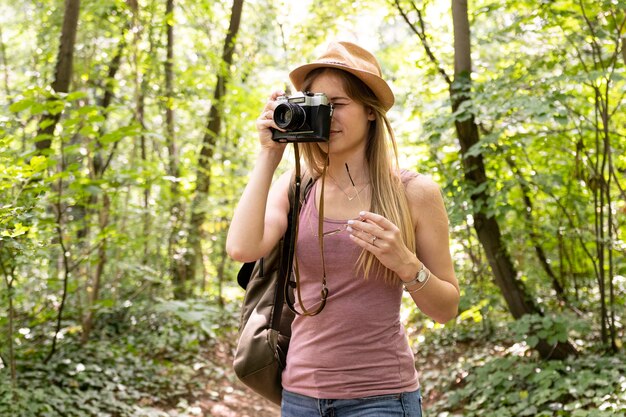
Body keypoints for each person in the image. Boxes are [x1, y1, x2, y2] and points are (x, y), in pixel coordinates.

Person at [226, 41, 459, 417]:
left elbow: (446, 309)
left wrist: (405, 263)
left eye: (339, 104)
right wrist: (269, 155)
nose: (327, 116)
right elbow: (241, 248)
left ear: (370, 110)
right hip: (300, 395)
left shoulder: (414, 193)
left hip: (383, 398)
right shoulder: (296, 186)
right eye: (317, 104)